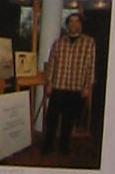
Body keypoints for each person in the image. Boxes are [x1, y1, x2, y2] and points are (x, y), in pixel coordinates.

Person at [40, 9, 98, 156]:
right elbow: (52, 63)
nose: (74, 24)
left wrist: (87, 86)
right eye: (71, 21)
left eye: (77, 21)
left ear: (81, 25)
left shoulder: (89, 42)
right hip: (58, 86)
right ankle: (47, 145)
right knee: (52, 119)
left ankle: (64, 146)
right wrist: (49, 83)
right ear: (67, 25)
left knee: (69, 120)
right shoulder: (59, 43)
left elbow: (91, 65)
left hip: (76, 88)